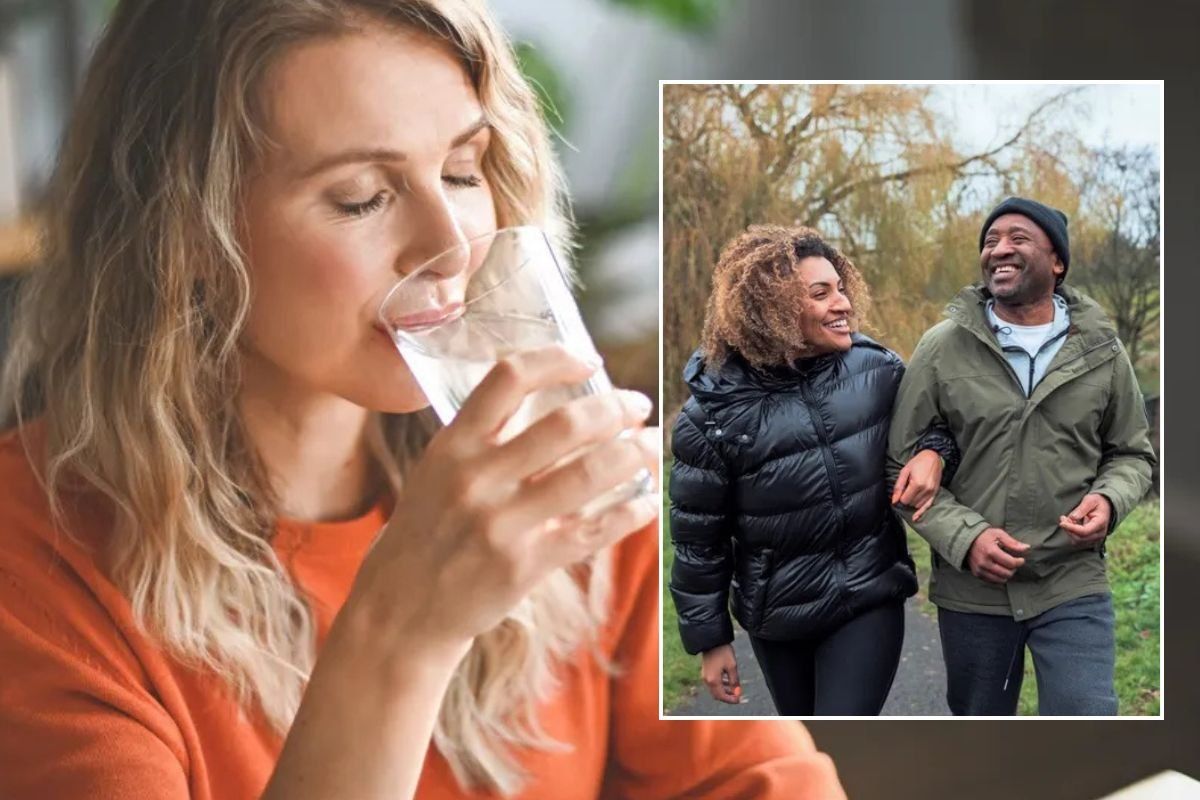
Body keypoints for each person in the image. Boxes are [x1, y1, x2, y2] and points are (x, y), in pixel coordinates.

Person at [0, 2, 848, 798]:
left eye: (463, 169)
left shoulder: (559, 477)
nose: (450, 246)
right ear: (180, 231)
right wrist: (403, 635)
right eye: (360, 196)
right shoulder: (32, 574)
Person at [668, 224, 960, 716]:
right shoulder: (712, 414)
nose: (843, 303)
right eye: (820, 294)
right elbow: (699, 540)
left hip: (868, 596)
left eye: (841, 288)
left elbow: (941, 421)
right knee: (807, 742)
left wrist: (934, 450)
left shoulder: (879, 371)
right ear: (771, 309)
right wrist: (711, 640)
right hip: (777, 617)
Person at [886, 196, 1156, 716]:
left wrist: (1109, 501)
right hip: (974, 591)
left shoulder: (1102, 348)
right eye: (990, 241)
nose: (999, 250)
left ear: (1058, 262)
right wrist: (965, 539)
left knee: (1087, 727)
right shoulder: (942, 347)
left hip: (1071, 580)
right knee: (983, 745)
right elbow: (898, 466)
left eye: (1017, 238)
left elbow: (1132, 455)